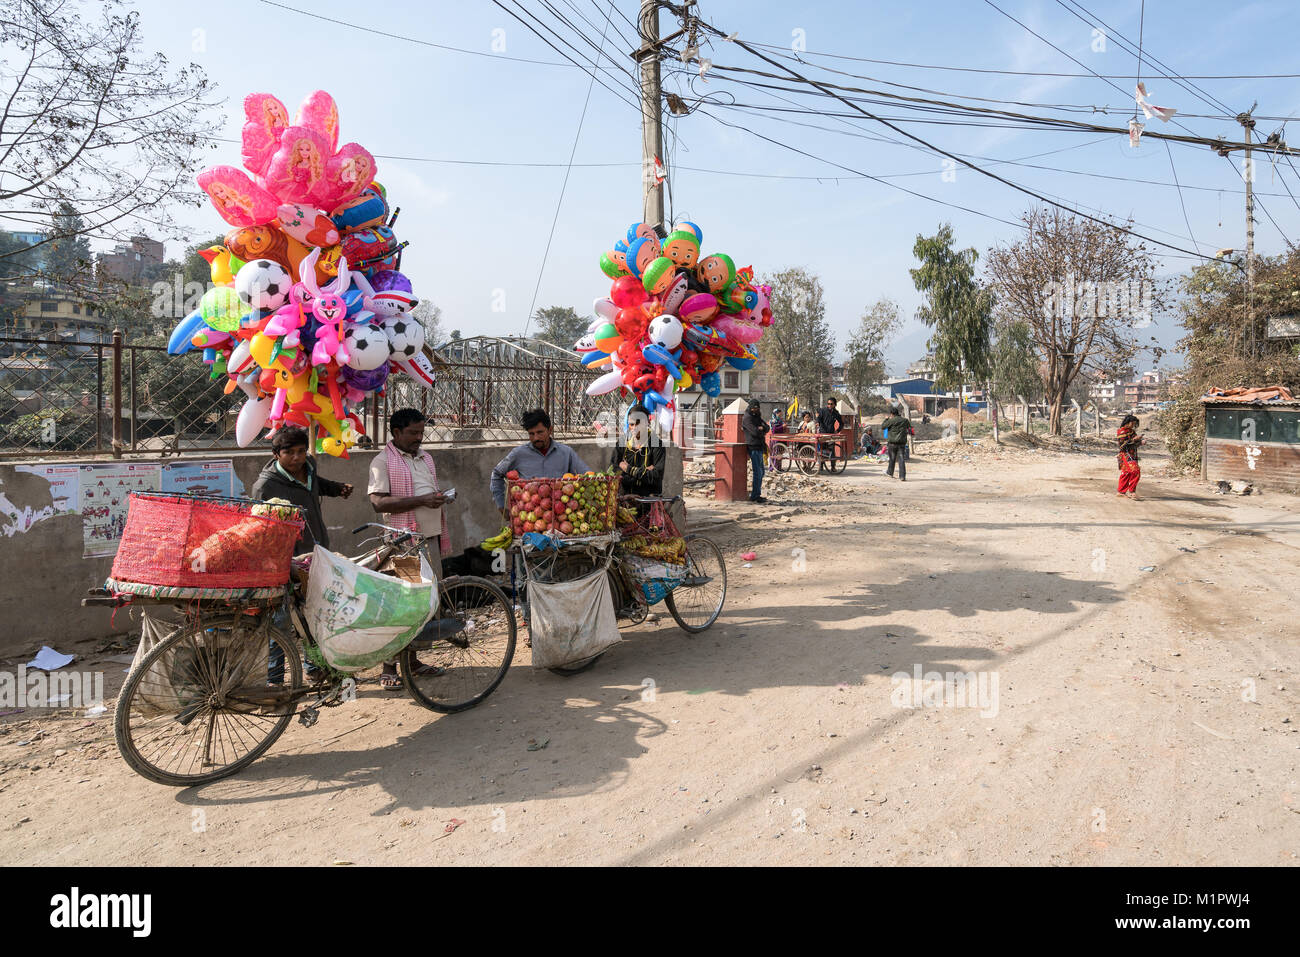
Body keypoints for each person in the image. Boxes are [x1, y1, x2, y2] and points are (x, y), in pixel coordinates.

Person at [252, 425, 353, 685]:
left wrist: (336, 488)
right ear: (276, 454)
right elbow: (260, 531)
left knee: (314, 615)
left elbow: (315, 486)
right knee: (281, 621)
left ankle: (314, 668)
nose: (297, 458)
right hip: (285, 562)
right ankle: (274, 680)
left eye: (301, 451)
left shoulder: (309, 466)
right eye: (290, 453)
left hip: (315, 553)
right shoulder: (266, 486)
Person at [368, 407, 453, 689]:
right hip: (404, 545)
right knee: (404, 604)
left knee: (424, 603)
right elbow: (379, 502)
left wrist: (436, 499)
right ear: (396, 433)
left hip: (429, 538)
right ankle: (389, 667)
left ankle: (412, 661)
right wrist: (421, 501)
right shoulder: (382, 461)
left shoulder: (426, 458)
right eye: (413, 433)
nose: (419, 438)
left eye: (421, 433)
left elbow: (426, 493)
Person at [490, 408, 591, 518]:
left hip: (560, 519)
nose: (536, 438)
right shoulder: (519, 453)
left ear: (550, 430)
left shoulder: (566, 453)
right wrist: (501, 505)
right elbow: (497, 474)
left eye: (540, 432)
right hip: (527, 520)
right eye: (531, 434)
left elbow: (587, 476)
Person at [612, 403, 666, 502]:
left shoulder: (657, 444)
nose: (634, 428)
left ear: (646, 423)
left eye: (638, 423)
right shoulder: (622, 443)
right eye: (631, 424)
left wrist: (629, 469)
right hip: (625, 499)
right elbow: (614, 471)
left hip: (649, 501)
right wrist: (643, 473)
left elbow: (656, 476)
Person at [742, 398, 769, 503]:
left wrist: (761, 428)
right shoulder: (747, 418)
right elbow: (754, 432)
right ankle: (755, 496)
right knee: (757, 472)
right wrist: (760, 429)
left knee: (761, 472)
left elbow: (767, 427)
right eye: (754, 408)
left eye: (757, 408)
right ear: (751, 407)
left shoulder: (757, 416)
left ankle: (757, 494)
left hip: (760, 446)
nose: (756, 410)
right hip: (753, 447)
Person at [881, 404, 912, 481]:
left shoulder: (891, 420)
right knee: (901, 459)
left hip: (892, 443)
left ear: (892, 414)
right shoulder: (905, 420)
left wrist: (886, 419)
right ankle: (902, 476)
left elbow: (883, 427)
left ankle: (890, 473)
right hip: (902, 443)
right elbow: (909, 427)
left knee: (892, 459)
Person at [1116, 414, 1143, 499]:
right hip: (1125, 455)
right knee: (1135, 470)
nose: (1133, 425)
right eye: (1133, 423)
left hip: (1132, 454)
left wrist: (1140, 442)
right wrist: (1134, 440)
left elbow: (1134, 444)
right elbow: (1122, 445)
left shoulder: (1132, 431)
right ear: (1128, 422)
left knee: (1126, 473)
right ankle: (1132, 492)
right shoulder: (1121, 431)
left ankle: (1121, 492)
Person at [815, 398, 845, 471]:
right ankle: (821, 466)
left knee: (832, 450)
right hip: (823, 433)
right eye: (828, 404)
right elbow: (819, 419)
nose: (829, 405)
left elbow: (841, 423)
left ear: (834, 404)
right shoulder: (823, 411)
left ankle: (833, 467)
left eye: (831, 404)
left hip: (831, 434)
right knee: (822, 449)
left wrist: (837, 430)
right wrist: (818, 422)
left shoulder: (836, 413)